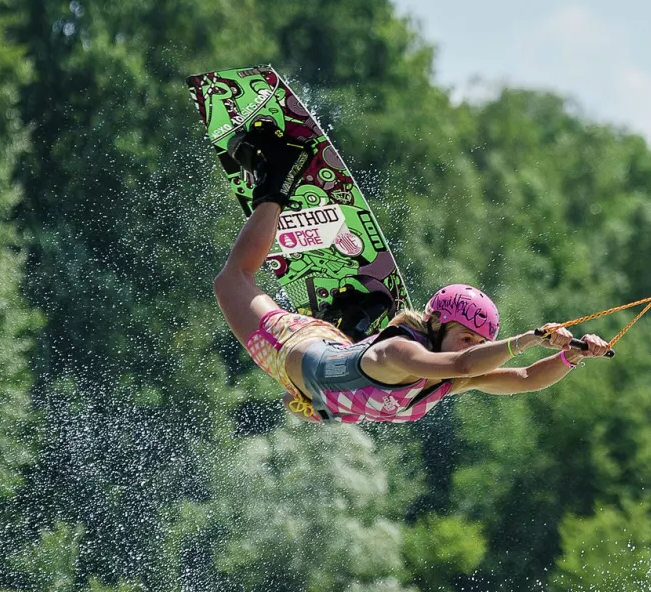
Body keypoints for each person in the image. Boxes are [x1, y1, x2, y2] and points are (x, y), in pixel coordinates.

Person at [213, 128, 611, 424]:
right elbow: (464, 365)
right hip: (291, 350)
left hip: (328, 392)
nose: (470, 346)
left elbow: (526, 378)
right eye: (466, 336)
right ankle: (277, 179)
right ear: (435, 321)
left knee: (306, 409)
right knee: (233, 280)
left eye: (476, 342)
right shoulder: (404, 352)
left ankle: (352, 321)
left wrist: (570, 356)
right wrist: (529, 337)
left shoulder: (447, 377)